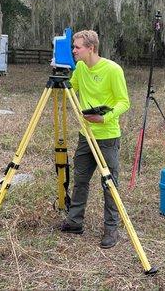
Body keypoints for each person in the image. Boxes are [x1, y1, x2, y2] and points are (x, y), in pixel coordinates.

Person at [59, 30, 130, 249]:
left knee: (109, 184)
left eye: (77, 47)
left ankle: (111, 229)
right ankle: (75, 221)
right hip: (85, 135)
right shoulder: (80, 68)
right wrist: (61, 77)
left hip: (107, 137)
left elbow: (124, 102)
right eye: (73, 47)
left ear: (91, 48)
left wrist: (104, 117)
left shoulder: (112, 70)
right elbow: (72, 89)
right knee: (80, 180)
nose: (73, 50)